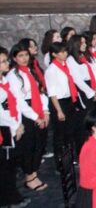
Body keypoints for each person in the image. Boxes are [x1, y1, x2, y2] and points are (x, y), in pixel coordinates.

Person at [7, 44, 49, 192]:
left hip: (37, 108)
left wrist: (45, 110)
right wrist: (35, 117)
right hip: (26, 112)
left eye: (26, 55)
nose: (24, 58)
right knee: (28, 146)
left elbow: (40, 91)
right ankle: (29, 177)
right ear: (14, 58)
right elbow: (19, 100)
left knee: (39, 143)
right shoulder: (13, 75)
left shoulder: (31, 71)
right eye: (20, 56)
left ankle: (34, 172)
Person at [0, 45, 31, 207]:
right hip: (5, 129)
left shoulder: (4, 81)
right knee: (6, 166)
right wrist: (15, 126)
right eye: (3, 61)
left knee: (11, 164)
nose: (6, 64)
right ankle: (8, 198)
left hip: (13, 125)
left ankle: (12, 195)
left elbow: (14, 104)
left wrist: (19, 123)